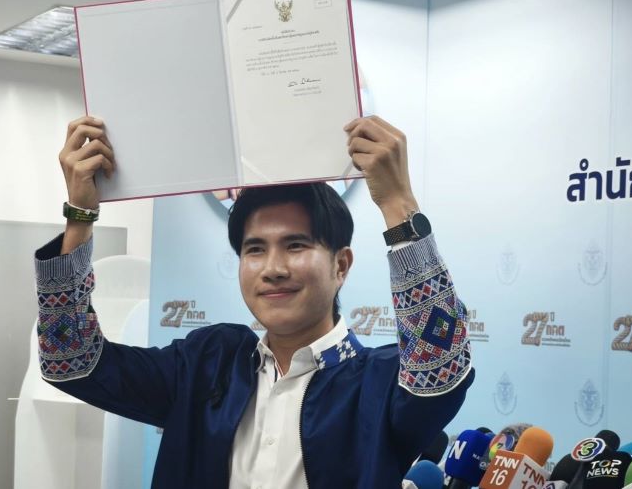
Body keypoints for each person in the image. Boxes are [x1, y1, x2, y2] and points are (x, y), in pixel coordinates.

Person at [34, 115, 474, 488]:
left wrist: (397, 202)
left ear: (341, 265)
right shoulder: (207, 364)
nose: (273, 268)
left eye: (296, 245)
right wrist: (80, 215)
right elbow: (70, 361)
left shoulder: (379, 383)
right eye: (255, 249)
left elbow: (442, 367)